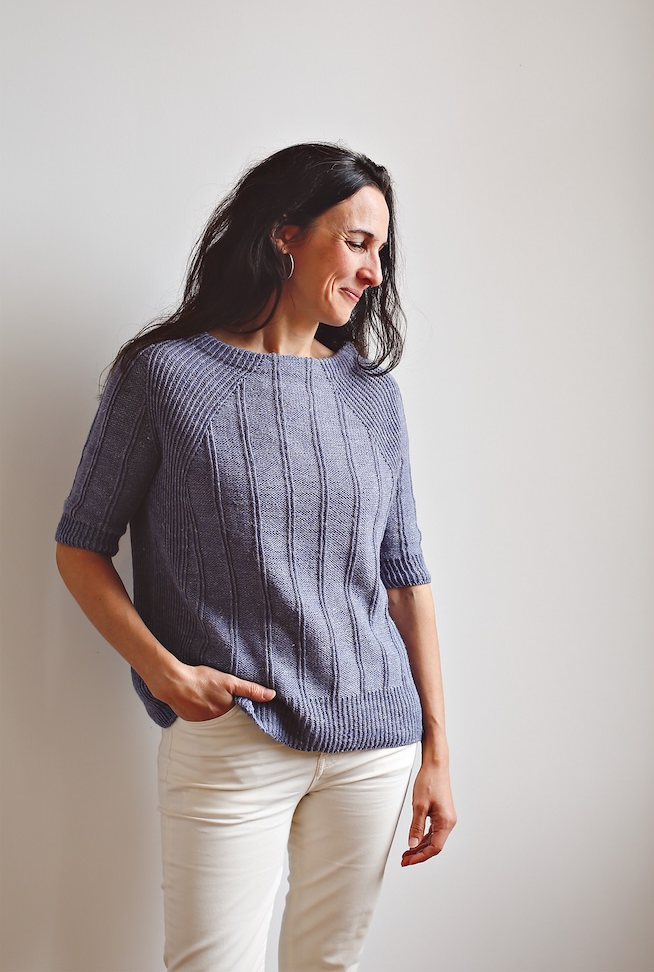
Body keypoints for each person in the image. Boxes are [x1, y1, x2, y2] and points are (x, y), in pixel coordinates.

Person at [54, 142, 456, 972]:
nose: (374, 271)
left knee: (326, 965)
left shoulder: (372, 398)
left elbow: (405, 581)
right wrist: (166, 673)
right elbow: (80, 546)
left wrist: (437, 757)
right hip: (234, 736)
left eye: (382, 250)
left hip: (374, 742)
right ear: (285, 234)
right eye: (357, 242)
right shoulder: (165, 377)